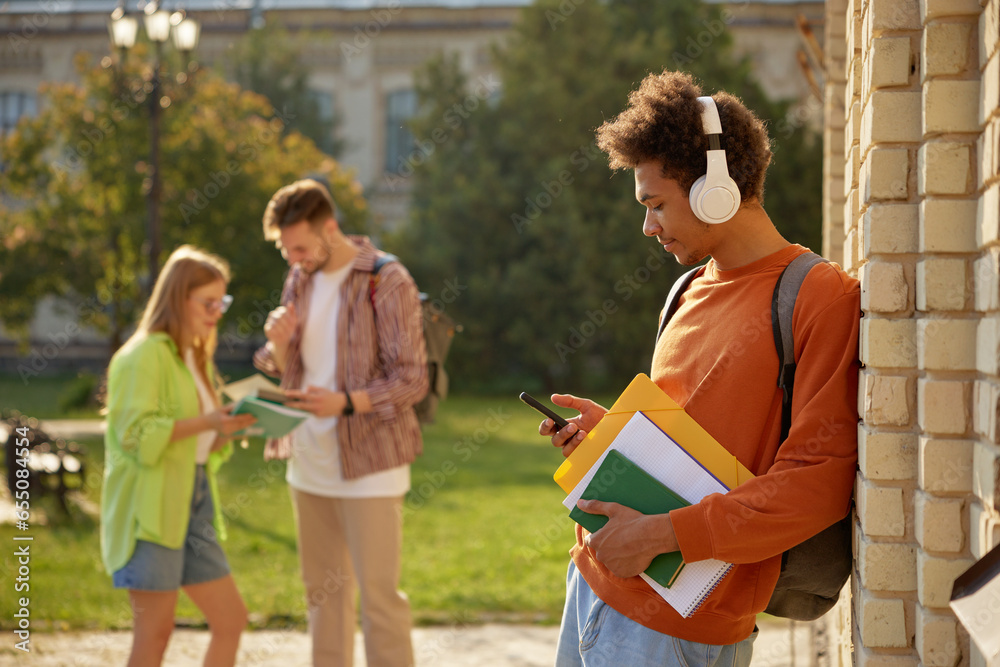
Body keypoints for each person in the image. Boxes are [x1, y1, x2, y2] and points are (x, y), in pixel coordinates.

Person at [540, 71, 861, 666]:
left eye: (656, 204)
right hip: (591, 583)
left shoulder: (820, 297)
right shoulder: (687, 287)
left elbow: (815, 486)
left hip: (679, 631)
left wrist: (661, 536)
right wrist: (606, 436)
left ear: (717, 187)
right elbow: (693, 437)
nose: (648, 226)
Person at [253, 179, 428, 667]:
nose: (294, 259)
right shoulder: (300, 278)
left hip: (370, 465)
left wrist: (346, 403)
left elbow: (412, 380)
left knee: (379, 602)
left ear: (330, 227)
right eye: (286, 250)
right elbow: (281, 362)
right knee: (323, 601)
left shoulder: (387, 279)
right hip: (309, 464)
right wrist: (279, 343)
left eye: (301, 247)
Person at [100, 245, 257, 667]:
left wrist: (234, 427)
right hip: (150, 508)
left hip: (195, 499)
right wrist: (209, 423)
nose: (216, 312)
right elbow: (135, 435)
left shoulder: (195, 356)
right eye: (208, 302)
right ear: (177, 298)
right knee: (154, 636)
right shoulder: (144, 355)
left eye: (221, 302)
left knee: (231, 620)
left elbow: (200, 443)